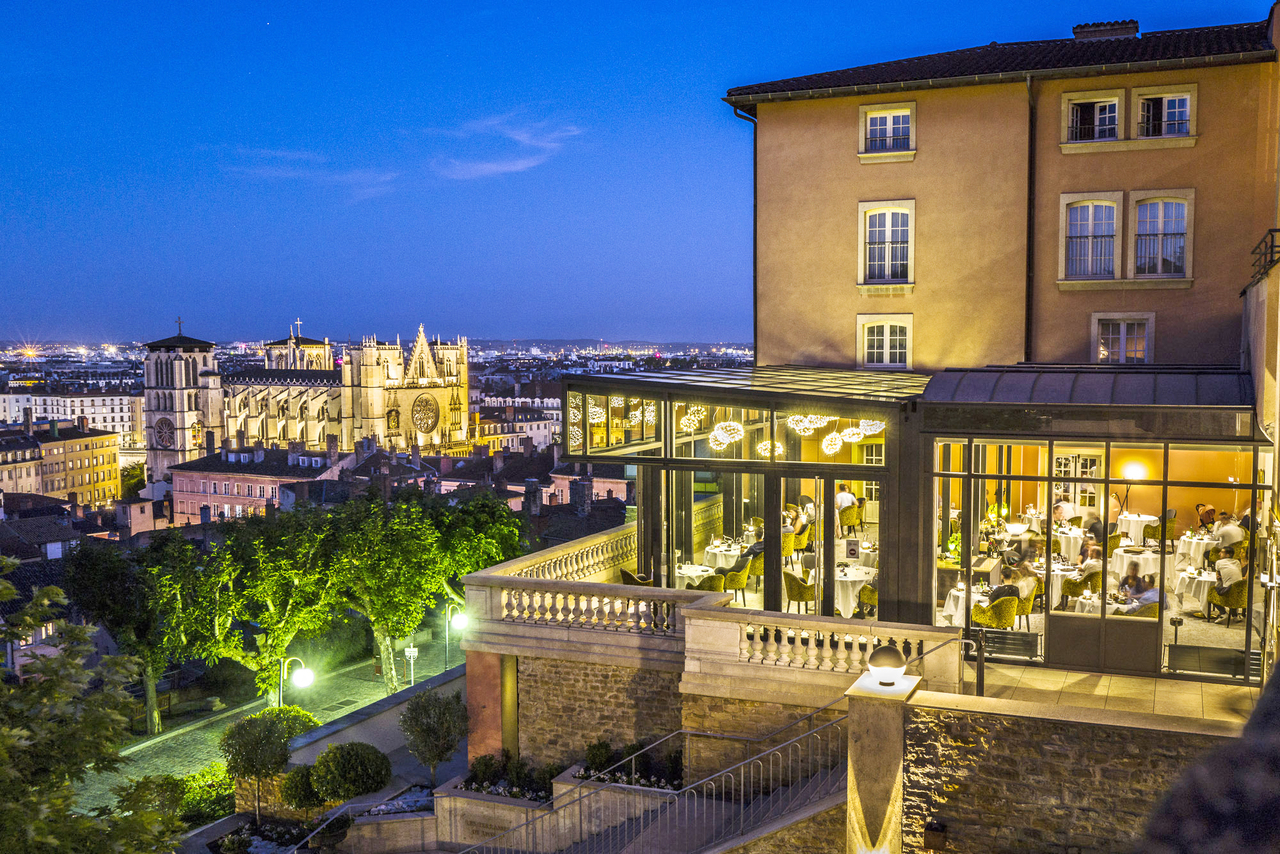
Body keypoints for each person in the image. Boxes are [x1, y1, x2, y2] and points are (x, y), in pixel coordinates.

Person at [1209, 545, 1243, 620]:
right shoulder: (1237, 562)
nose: (1219, 553)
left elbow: (1218, 576)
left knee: (1211, 593)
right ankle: (1234, 615)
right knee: (1233, 587)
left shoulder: (1219, 562)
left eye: (1222, 552)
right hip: (1241, 590)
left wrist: (1218, 575)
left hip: (1228, 590)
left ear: (1228, 555)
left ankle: (1223, 613)